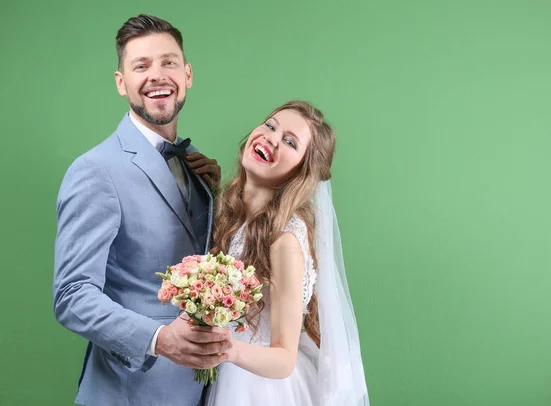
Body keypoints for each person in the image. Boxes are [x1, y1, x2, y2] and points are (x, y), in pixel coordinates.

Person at [53, 14, 231, 406]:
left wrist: (216, 197)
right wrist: (158, 339)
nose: (157, 75)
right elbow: (71, 295)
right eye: (141, 65)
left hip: (201, 390)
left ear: (186, 74)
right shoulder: (95, 170)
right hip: (127, 392)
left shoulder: (197, 168)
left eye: (168, 62)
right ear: (122, 82)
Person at [191, 100, 369, 405]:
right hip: (228, 375)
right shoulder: (234, 215)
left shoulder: (285, 239)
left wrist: (225, 347)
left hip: (259, 389)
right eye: (270, 125)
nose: (271, 138)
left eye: (290, 141)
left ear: (302, 170)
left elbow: (284, 359)